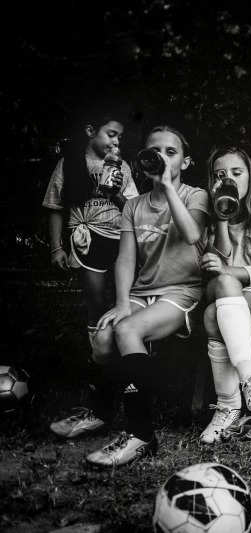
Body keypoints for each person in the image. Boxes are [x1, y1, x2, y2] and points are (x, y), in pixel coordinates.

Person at [86, 125, 210, 466]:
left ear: (185, 162)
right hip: (143, 290)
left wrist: (168, 186)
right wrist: (122, 303)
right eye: (155, 151)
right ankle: (100, 414)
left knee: (127, 330)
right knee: (103, 338)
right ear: (143, 159)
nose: (162, 158)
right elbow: (126, 259)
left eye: (171, 152)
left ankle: (141, 434)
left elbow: (191, 234)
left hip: (183, 291)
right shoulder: (133, 205)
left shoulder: (196, 195)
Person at [45, 106, 139, 439]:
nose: (116, 142)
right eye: (111, 134)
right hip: (86, 240)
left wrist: (116, 192)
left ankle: (128, 378)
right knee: (97, 306)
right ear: (90, 131)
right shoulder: (69, 164)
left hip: (120, 240)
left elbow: (135, 209)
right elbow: (55, 207)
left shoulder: (122, 167)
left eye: (120, 137)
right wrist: (56, 247)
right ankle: (100, 377)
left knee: (125, 302)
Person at [198, 146, 251, 444]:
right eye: (220, 175)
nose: (229, 180)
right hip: (217, 287)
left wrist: (227, 270)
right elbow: (215, 267)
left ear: (250, 176)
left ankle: (228, 406)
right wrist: (221, 216)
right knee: (224, 283)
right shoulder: (206, 214)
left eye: (237, 172)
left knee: (212, 317)